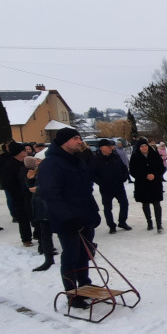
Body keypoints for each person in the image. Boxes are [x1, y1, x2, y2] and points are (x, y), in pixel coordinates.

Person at [37, 127, 102, 307]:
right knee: (71, 256)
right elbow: (51, 194)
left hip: (85, 216)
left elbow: (86, 190)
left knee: (84, 254)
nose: (80, 142)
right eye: (75, 139)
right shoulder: (51, 164)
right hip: (68, 220)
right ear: (64, 142)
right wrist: (67, 219)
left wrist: (94, 212)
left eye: (79, 138)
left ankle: (85, 284)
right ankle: (72, 293)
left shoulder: (76, 160)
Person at [91, 138, 132, 234]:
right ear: (101, 148)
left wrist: (124, 177)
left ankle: (122, 222)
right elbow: (92, 174)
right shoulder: (95, 159)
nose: (111, 148)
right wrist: (101, 182)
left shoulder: (115, 157)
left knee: (124, 204)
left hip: (118, 186)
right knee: (107, 207)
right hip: (106, 188)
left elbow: (124, 168)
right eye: (108, 146)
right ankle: (111, 225)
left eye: (111, 146)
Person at [0, 143, 34, 246]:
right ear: (18, 153)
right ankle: (26, 239)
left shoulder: (26, 162)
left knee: (34, 215)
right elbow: (7, 183)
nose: (26, 152)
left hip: (29, 193)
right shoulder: (9, 165)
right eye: (23, 150)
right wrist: (18, 192)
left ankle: (37, 234)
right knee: (23, 217)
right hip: (19, 195)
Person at [24, 156, 55, 271]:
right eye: (36, 160)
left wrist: (38, 190)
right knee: (45, 234)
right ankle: (48, 259)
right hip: (41, 207)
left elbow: (54, 187)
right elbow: (30, 187)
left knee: (64, 234)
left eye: (39, 159)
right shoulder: (37, 171)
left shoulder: (52, 169)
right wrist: (29, 179)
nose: (36, 162)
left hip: (53, 207)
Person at [129, 138, 166, 232]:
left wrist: (155, 175)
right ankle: (149, 222)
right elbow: (132, 171)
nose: (144, 148)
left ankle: (159, 225)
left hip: (155, 183)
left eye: (145, 146)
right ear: (139, 148)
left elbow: (161, 168)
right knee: (145, 204)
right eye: (142, 146)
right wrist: (144, 176)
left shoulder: (155, 155)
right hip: (142, 184)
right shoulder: (135, 157)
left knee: (156, 204)